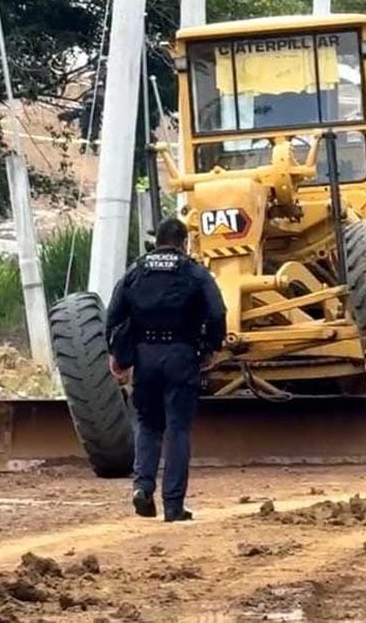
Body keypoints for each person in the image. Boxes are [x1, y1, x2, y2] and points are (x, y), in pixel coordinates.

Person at [106, 218, 226, 522]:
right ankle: (173, 505)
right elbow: (216, 311)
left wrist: (118, 355)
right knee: (178, 428)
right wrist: (211, 347)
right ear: (183, 242)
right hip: (181, 355)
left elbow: (114, 314)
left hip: (144, 355)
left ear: (156, 240)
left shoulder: (136, 271)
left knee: (147, 423)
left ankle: (142, 487)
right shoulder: (193, 271)